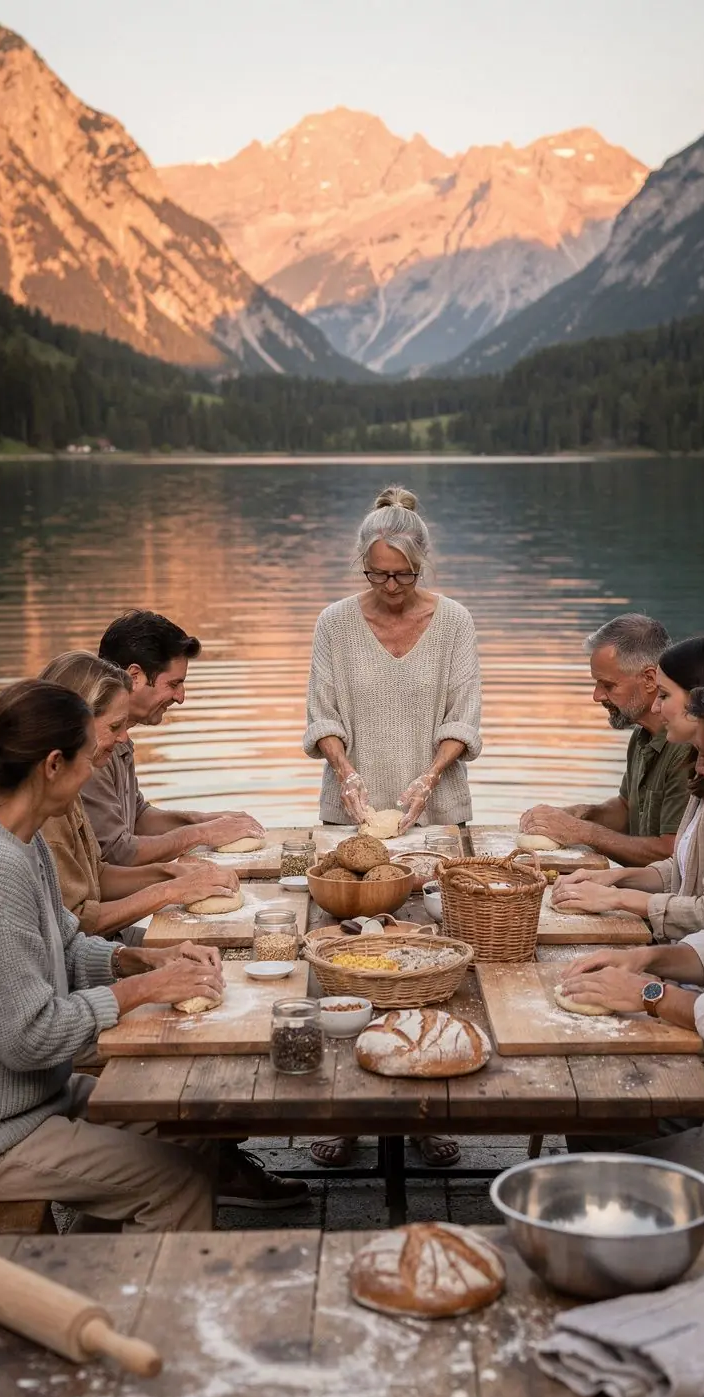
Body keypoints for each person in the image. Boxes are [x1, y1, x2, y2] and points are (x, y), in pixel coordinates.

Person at [0, 680, 307, 1220]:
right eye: (89, 757)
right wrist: (145, 989)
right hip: (1, 1129)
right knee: (177, 1183)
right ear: (54, 765)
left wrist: (137, 960)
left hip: (42, 1097)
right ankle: (124, 1275)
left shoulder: (24, 839)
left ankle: (94, 1264)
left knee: (189, 1123)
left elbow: (65, 945)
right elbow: (29, 1037)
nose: (94, 771)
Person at [558, 672, 704, 1206]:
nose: (699, 768)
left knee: (608, 1190)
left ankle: (657, 1238)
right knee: (595, 1119)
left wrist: (650, 994)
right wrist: (643, 958)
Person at [304, 485, 482, 1168]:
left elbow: (463, 718)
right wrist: (346, 771)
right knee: (349, 957)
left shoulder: (455, 621)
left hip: (435, 814)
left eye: (402, 575)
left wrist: (428, 778)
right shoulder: (334, 623)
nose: (390, 587)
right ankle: (346, 1109)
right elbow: (323, 715)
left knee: (435, 957)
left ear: (421, 565)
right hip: (350, 820)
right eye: (377, 575)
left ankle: (428, 1104)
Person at [552, 636, 704, 940]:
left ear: (700, 703)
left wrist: (618, 898)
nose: (657, 708)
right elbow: (683, 869)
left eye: (664, 695)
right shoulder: (703, 777)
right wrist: (613, 877)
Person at [40, 652, 238, 941]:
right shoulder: (45, 817)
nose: (124, 738)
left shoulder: (67, 791)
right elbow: (73, 928)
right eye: (114, 727)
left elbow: (98, 874)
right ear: (73, 726)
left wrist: (172, 873)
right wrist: (170, 890)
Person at [82, 610, 264, 865]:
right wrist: (200, 835)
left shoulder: (120, 739)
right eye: (173, 684)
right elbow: (116, 852)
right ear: (134, 677)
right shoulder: (94, 748)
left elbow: (137, 817)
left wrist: (202, 821)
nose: (181, 697)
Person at [520, 614, 692, 864]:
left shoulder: (685, 747)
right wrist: (579, 814)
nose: (597, 696)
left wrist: (582, 832)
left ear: (649, 679)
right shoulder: (641, 736)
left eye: (608, 685)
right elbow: (626, 808)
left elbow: (672, 853)